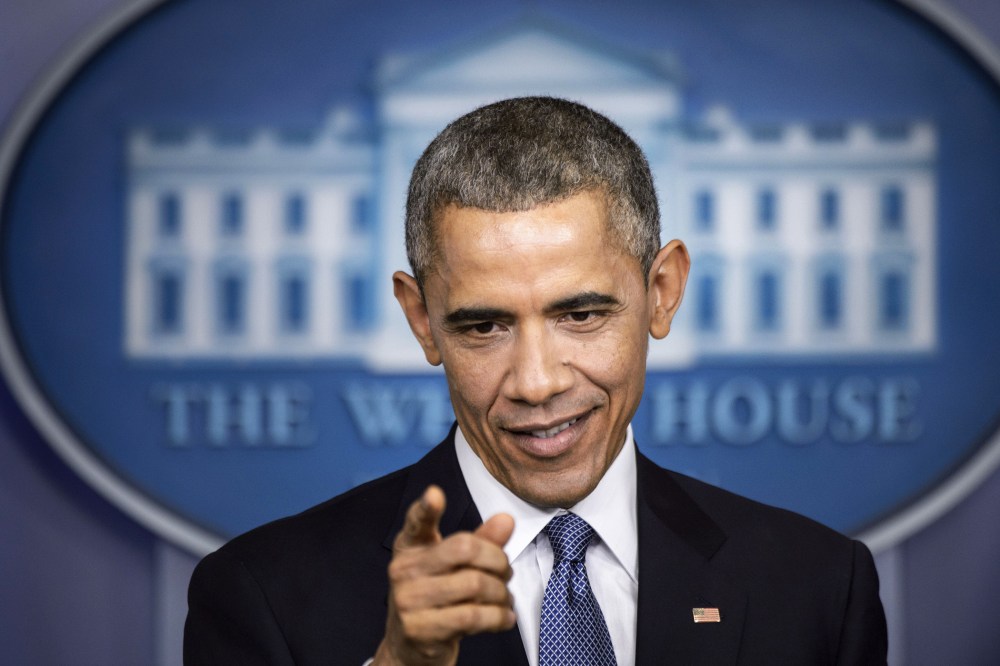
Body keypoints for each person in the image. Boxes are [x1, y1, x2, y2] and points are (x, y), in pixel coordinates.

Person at [184, 96, 888, 665]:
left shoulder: (819, 586)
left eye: (580, 315)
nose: (537, 382)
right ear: (422, 321)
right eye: (484, 326)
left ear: (662, 291)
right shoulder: (260, 594)